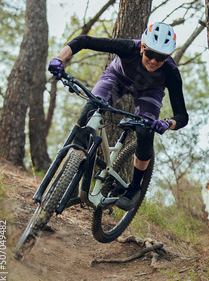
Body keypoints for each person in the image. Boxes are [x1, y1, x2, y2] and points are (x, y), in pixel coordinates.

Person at [48, 22, 188, 211]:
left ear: (169, 56)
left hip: (150, 92)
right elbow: (83, 41)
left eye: (161, 57)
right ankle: (71, 178)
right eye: (150, 54)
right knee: (91, 109)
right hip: (116, 78)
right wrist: (59, 59)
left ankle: (134, 188)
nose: (154, 61)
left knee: (145, 132)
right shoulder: (129, 47)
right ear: (142, 47)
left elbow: (182, 116)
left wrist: (166, 123)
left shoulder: (171, 72)